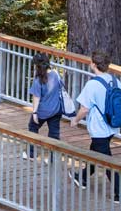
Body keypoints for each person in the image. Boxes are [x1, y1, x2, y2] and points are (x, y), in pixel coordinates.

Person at [70, 49, 120, 202]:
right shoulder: (115, 80)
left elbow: (84, 108)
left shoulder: (92, 85)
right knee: (95, 151)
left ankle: (119, 192)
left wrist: (75, 120)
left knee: (107, 161)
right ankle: (82, 177)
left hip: (99, 129)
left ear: (93, 64)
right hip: (112, 125)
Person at [23, 52, 63, 159]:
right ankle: (53, 158)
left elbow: (36, 98)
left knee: (33, 127)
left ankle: (31, 153)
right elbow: (61, 87)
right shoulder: (56, 74)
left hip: (43, 111)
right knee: (54, 134)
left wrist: (34, 112)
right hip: (56, 109)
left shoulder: (38, 80)